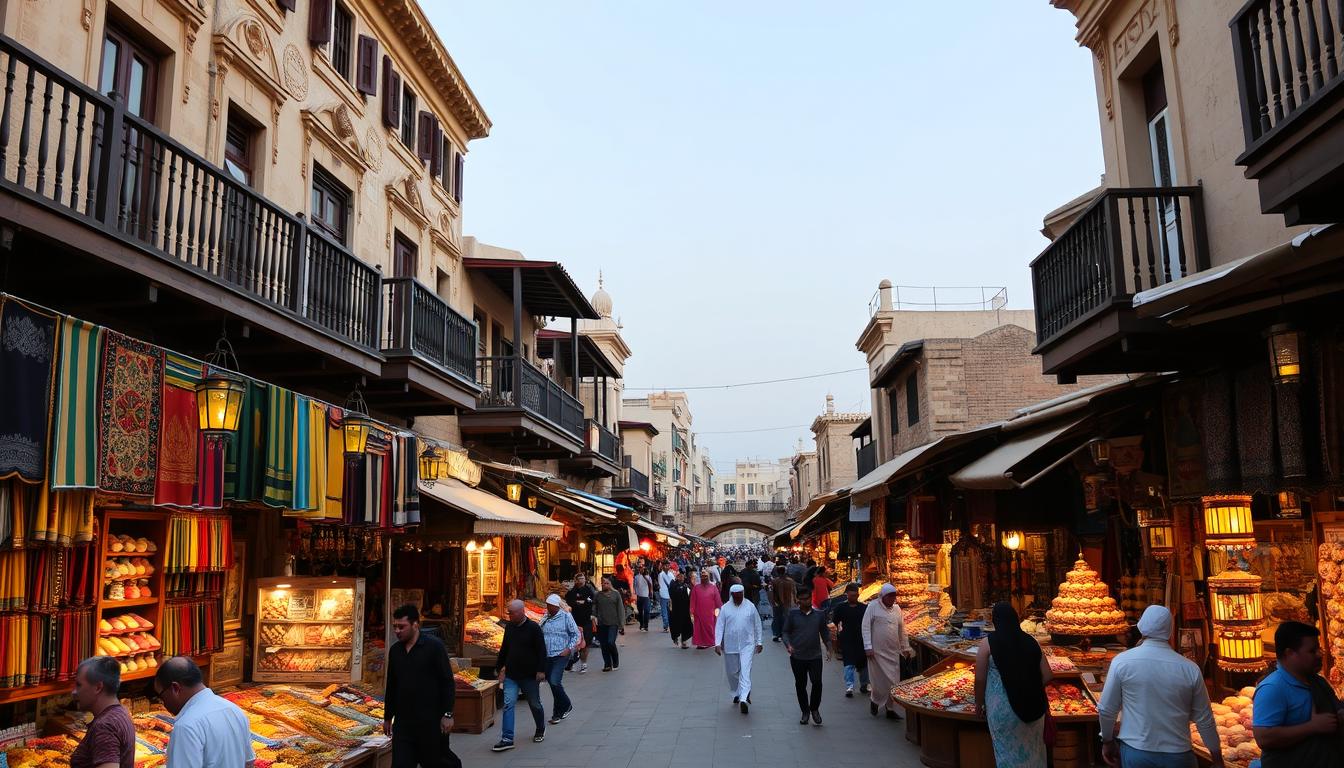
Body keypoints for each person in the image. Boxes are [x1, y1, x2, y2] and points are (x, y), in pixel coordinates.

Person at [1097, 605, 1223, 768]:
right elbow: (1205, 720)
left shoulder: (1122, 662)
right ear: (1169, 632)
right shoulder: (1189, 669)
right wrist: (1217, 758)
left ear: (1142, 627)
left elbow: (1107, 709)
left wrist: (1107, 740)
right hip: (1179, 756)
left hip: (1137, 753)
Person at [1252, 620, 1344, 767]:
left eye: (1318, 649)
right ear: (1290, 653)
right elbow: (1264, 737)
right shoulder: (1272, 688)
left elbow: (1337, 710)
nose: (1319, 654)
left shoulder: (1318, 681)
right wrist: (1312, 727)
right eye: (1312, 651)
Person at [974, 602, 1051, 767]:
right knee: (1034, 753)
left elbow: (980, 678)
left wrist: (978, 703)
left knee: (1007, 753)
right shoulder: (1032, 641)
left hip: (1003, 709)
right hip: (1035, 708)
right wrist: (1030, 686)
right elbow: (1048, 674)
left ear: (996, 621)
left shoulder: (988, 643)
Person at [384, 604, 459, 768]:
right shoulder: (395, 651)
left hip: (431, 722)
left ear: (415, 625)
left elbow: (447, 682)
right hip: (404, 723)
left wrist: (448, 714)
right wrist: (388, 716)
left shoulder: (434, 647)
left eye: (401, 627)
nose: (397, 631)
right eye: (395, 626)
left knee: (434, 762)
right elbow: (392, 684)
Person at [153, 657, 254, 768]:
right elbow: (248, 763)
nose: (164, 704)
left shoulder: (186, 726)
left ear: (175, 688)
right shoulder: (234, 710)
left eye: (162, 696)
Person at [493, 599, 548, 752]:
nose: (509, 615)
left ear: (521, 612)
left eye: (511, 613)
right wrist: (499, 667)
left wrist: (541, 670)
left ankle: (540, 728)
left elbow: (541, 650)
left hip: (529, 675)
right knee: (508, 704)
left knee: (534, 703)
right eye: (509, 613)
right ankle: (507, 738)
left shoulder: (534, 628)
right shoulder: (510, 627)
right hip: (512, 674)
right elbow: (505, 648)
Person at [71, 656, 135, 768]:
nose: (74, 692)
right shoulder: (121, 713)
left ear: (98, 687)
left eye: (79, 685)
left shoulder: (105, 726)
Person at [862, 583, 913, 719]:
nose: (892, 599)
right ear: (883, 597)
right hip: (876, 653)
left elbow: (902, 630)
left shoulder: (897, 609)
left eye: (894, 596)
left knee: (894, 681)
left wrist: (905, 647)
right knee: (879, 682)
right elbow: (865, 627)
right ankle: (875, 700)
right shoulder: (873, 607)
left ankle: (890, 708)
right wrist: (868, 647)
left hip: (893, 652)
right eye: (889, 596)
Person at [783, 588, 831, 726]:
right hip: (797, 656)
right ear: (798, 600)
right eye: (803, 599)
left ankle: (814, 709)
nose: (806, 601)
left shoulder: (819, 615)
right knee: (800, 684)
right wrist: (788, 645)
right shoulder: (793, 615)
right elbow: (785, 632)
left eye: (808, 598)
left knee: (817, 682)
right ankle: (805, 711)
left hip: (815, 655)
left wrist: (829, 648)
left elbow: (824, 632)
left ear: (811, 598)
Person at [715, 583, 763, 714]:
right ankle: (737, 692)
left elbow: (757, 624)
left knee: (745, 671)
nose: (738, 598)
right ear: (732, 596)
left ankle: (743, 698)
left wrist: (759, 642)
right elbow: (719, 626)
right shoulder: (725, 608)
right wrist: (717, 643)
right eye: (736, 596)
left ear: (743, 594)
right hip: (730, 645)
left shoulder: (750, 607)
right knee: (732, 673)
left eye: (740, 595)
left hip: (747, 644)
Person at [539, 594, 580, 726]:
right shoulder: (545, 617)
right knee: (553, 683)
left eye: (550, 605)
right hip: (547, 654)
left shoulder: (566, 616)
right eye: (547, 605)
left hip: (561, 654)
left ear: (556, 606)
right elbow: (539, 630)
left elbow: (575, 634)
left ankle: (567, 704)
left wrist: (569, 648)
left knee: (554, 681)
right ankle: (557, 713)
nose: (548, 607)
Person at [831, 582, 870, 697]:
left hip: (861, 639)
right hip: (847, 639)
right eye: (852, 595)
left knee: (863, 663)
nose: (854, 597)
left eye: (856, 595)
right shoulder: (840, 608)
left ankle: (864, 685)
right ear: (847, 595)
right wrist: (834, 640)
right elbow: (834, 623)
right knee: (848, 663)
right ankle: (849, 687)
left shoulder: (864, 608)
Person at [563, 573, 597, 673]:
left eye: (582, 578)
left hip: (587, 620)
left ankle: (584, 664)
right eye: (579, 578)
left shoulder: (589, 590)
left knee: (586, 643)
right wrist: (579, 602)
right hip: (574, 621)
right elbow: (569, 603)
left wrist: (582, 602)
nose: (581, 580)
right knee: (574, 643)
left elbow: (591, 601)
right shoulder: (571, 592)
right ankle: (572, 663)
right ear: (575, 580)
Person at [594, 576, 627, 671]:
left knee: (610, 642)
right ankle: (607, 664)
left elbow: (620, 609)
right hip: (601, 623)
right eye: (603, 583)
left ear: (610, 584)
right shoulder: (598, 595)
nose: (605, 585)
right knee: (604, 645)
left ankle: (615, 660)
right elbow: (594, 607)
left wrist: (621, 624)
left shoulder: (616, 594)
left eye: (607, 583)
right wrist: (593, 616)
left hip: (613, 622)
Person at [691, 568, 722, 649]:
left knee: (710, 628)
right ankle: (700, 643)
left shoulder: (713, 587)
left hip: (710, 613)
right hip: (699, 612)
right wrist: (692, 611)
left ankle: (710, 642)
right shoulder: (696, 588)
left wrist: (719, 610)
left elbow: (718, 600)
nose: (704, 578)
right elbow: (693, 600)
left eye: (706, 576)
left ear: (709, 577)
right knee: (699, 629)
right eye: (702, 576)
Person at [770, 567, 797, 643]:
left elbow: (772, 593)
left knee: (777, 618)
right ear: (785, 572)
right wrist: (795, 600)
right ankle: (786, 633)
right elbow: (794, 592)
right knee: (786, 618)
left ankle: (777, 634)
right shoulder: (790, 581)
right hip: (788, 603)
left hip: (777, 603)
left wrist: (773, 602)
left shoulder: (774, 581)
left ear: (778, 572)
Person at [669, 568, 694, 648]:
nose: (681, 578)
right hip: (676, 609)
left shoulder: (687, 584)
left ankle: (684, 641)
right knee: (675, 625)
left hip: (685, 609)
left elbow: (691, 595)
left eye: (682, 576)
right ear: (677, 576)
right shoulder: (673, 584)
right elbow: (672, 595)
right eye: (679, 576)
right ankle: (675, 638)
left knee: (686, 625)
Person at [658, 561, 676, 633]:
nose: (667, 567)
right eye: (665, 565)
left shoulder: (671, 574)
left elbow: (673, 584)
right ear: (663, 566)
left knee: (670, 611)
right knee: (664, 611)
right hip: (663, 595)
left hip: (670, 596)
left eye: (668, 565)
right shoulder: (660, 575)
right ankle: (666, 626)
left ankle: (670, 625)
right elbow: (660, 585)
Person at [632, 566, 652, 632]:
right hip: (639, 596)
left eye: (643, 569)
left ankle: (646, 626)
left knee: (646, 611)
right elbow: (634, 586)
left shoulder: (648, 577)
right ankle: (641, 625)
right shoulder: (636, 577)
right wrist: (635, 594)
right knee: (640, 612)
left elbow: (650, 585)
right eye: (640, 568)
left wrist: (650, 594)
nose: (641, 570)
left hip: (646, 597)